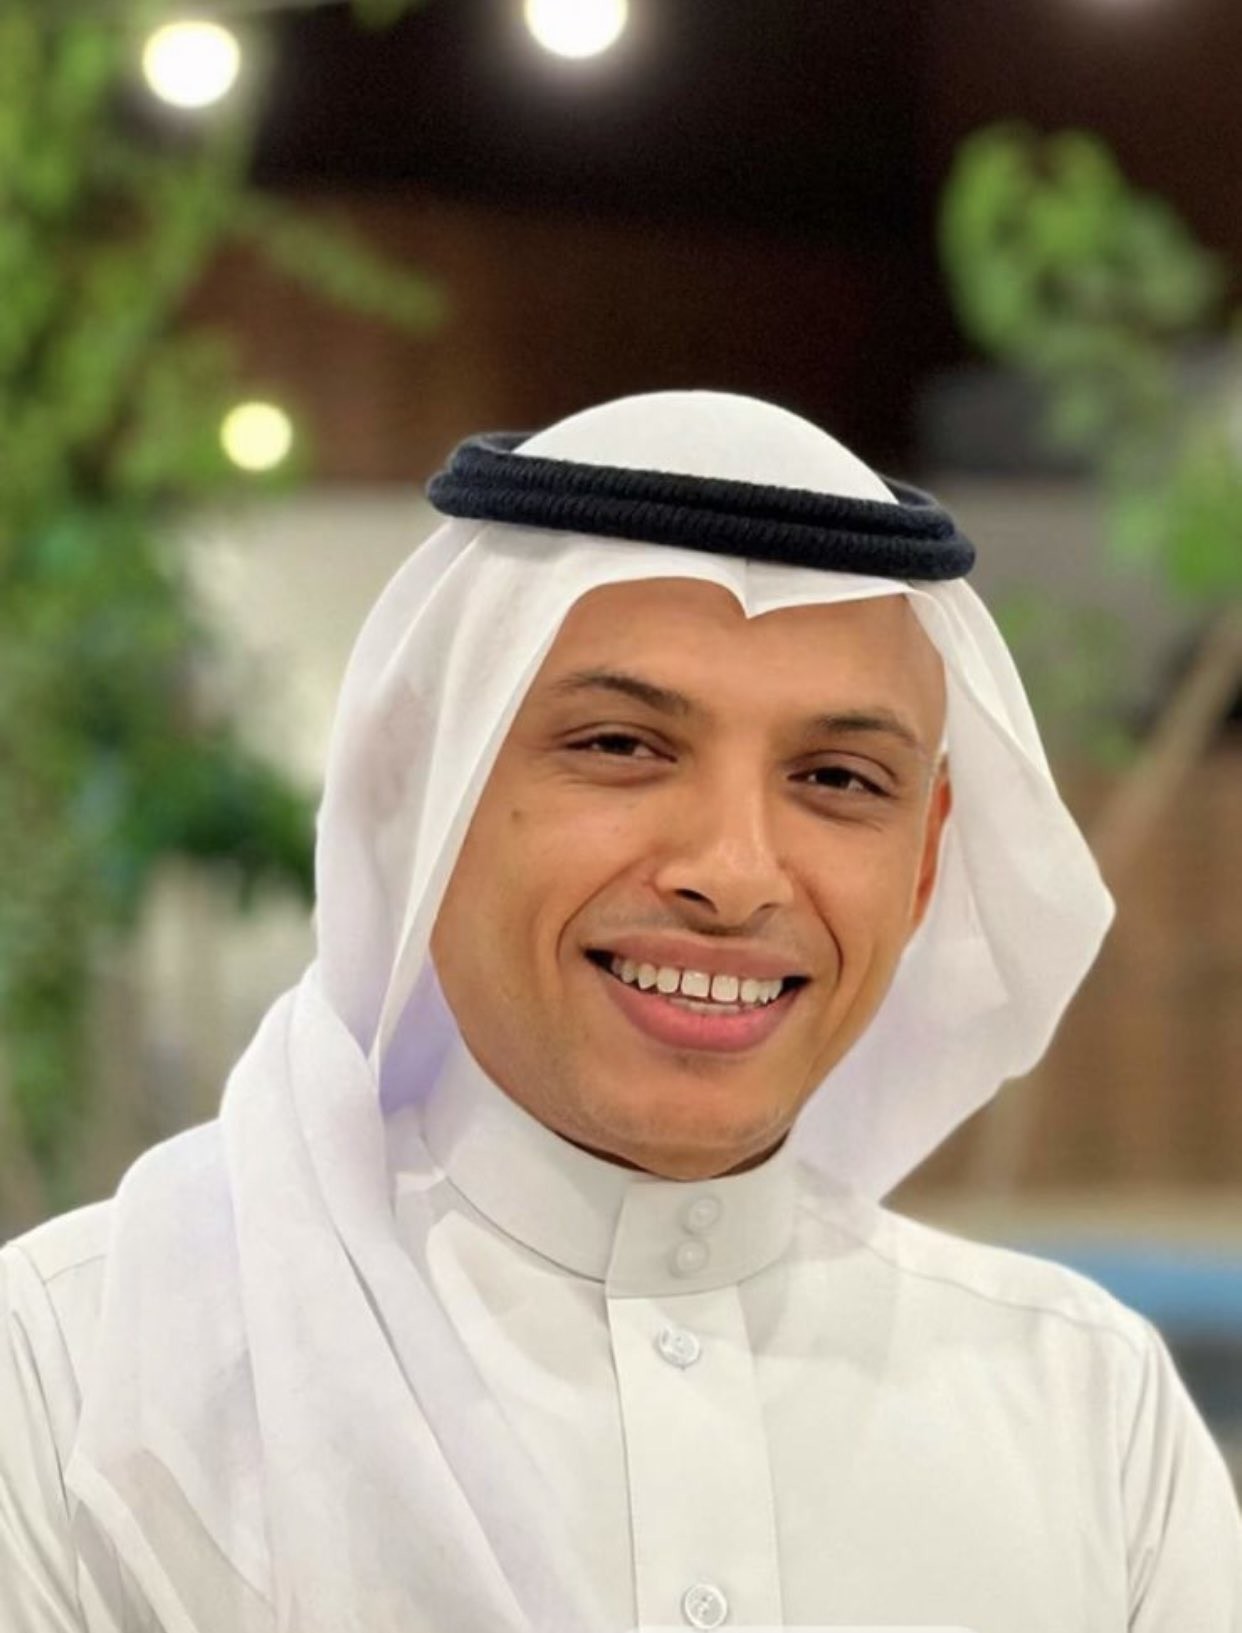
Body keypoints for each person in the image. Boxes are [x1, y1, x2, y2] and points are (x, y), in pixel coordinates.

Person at [1, 390, 1239, 1633]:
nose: (735, 874)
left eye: (837, 778)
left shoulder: (1091, 1421)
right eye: (620, 746)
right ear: (427, 799)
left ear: (922, 866)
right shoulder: (71, 1379)